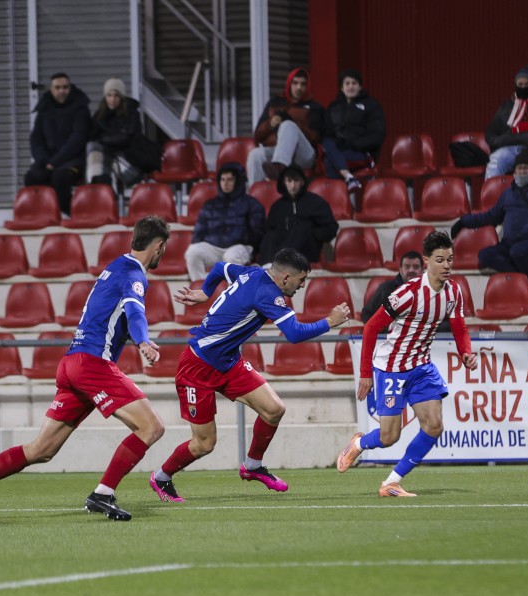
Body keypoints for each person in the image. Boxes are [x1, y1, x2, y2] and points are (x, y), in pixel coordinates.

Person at [0, 217, 172, 522]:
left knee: (41, 450)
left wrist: (137, 337)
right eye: (163, 248)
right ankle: (103, 493)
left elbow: (113, 318)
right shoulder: (133, 274)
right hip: (92, 364)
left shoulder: (114, 267)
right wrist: (143, 341)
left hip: (72, 364)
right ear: (158, 247)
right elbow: (134, 311)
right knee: (152, 427)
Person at [149, 249, 350, 502]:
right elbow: (294, 333)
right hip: (197, 367)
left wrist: (206, 292)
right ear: (286, 277)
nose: (302, 286)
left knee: (274, 409)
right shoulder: (268, 294)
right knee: (204, 444)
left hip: (229, 363)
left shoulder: (250, 272)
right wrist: (329, 322)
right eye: (301, 280)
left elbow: (220, 267)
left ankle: (252, 465)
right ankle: (162, 477)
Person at [334, 231, 478, 497]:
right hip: (391, 368)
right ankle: (361, 442)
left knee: (434, 426)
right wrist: (366, 374)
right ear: (426, 261)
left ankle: (391, 482)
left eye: (450, 260)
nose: (447, 265)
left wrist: (465, 352)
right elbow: (370, 328)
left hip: (421, 367)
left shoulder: (454, 292)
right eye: (440, 260)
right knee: (389, 437)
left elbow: (460, 327)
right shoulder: (408, 293)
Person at [449, 148, 528, 306]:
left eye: (527, 168)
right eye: (520, 168)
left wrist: (521, 236)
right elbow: (491, 216)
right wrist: (464, 221)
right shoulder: (508, 193)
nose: (522, 172)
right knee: (485, 255)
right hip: (512, 242)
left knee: (517, 251)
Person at [184, 163, 265, 280]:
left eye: (230, 180)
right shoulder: (209, 205)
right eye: (222, 179)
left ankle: (233, 295)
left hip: (240, 246)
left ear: (238, 182)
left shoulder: (252, 204)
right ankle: (201, 291)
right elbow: (198, 233)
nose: (225, 183)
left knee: (231, 257)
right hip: (214, 247)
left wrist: (238, 238)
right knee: (192, 252)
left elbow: (257, 233)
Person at [25, 72, 91, 215]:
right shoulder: (44, 108)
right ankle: (42, 215)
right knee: (32, 177)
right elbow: (36, 138)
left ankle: (71, 214)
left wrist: (54, 163)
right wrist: (42, 160)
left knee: (60, 178)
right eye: (58, 87)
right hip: (47, 159)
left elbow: (77, 140)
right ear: (51, 89)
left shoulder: (80, 107)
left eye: (65, 87)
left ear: (70, 88)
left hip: (72, 160)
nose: (62, 91)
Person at [247, 67, 326, 185]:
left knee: (288, 125)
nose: (299, 87)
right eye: (295, 83)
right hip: (278, 150)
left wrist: (295, 124)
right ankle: (255, 197)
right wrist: (270, 124)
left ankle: (279, 167)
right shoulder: (275, 103)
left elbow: (316, 138)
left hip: (304, 154)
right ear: (289, 84)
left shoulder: (314, 107)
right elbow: (257, 137)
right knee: (255, 155)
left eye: (303, 84)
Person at [86, 77, 161, 191]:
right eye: (109, 95)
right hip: (110, 156)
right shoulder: (100, 115)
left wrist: (103, 139)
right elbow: (91, 135)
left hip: (130, 157)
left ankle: (102, 184)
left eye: (116, 95)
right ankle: (98, 180)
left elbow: (126, 138)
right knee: (93, 148)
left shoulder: (131, 113)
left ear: (121, 97)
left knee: (103, 155)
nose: (112, 99)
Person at [256, 164, 338, 266]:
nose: (293, 185)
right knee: (271, 236)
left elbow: (331, 228)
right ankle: (267, 266)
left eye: (296, 181)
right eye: (289, 181)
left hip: (307, 250)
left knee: (301, 230)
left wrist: (311, 233)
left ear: (302, 182)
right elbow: (268, 231)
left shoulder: (315, 202)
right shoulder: (278, 206)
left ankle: (278, 263)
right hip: (279, 250)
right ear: (284, 182)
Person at [321, 70, 387, 192]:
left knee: (329, 160)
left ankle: (338, 201)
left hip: (361, 153)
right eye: (347, 83)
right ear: (341, 87)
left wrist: (353, 143)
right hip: (340, 152)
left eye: (354, 83)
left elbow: (378, 134)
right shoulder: (334, 107)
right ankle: (349, 178)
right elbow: (327, 132)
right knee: (327, 142)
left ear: (360, 86)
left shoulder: (371, 105)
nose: (351, 86)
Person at [361, 250, 425, 322]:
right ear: (400, 270)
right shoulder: (385, 289)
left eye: (416, 267)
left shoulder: (432, 290)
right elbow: (367, 314)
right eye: (407, 267)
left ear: (422, 270)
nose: (411, 270)